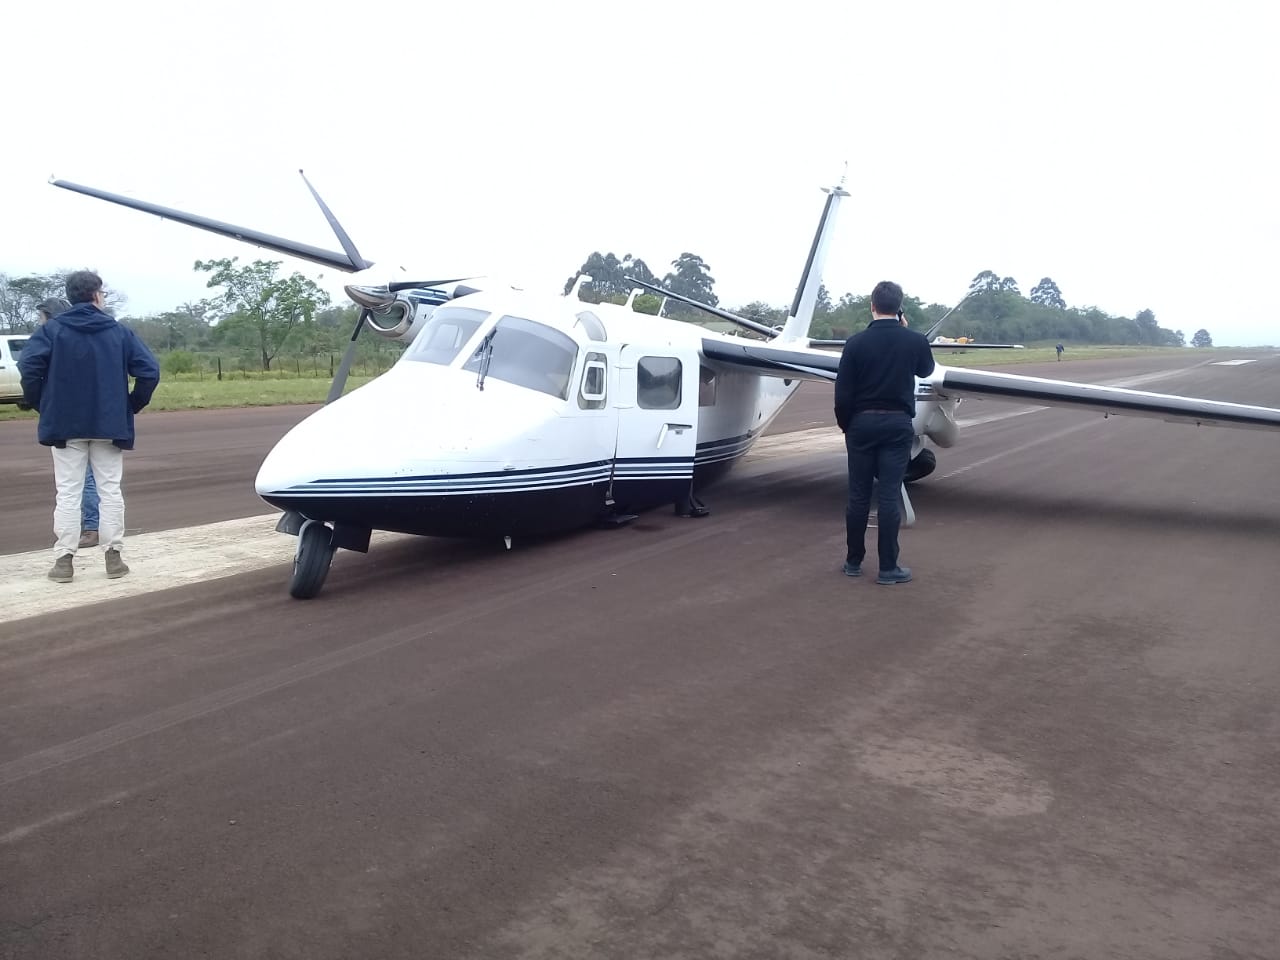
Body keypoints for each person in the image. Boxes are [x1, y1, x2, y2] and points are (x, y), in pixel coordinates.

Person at [19, 271, 160, 582]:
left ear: (71, 296)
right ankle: (113, 557)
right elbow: (149, 371)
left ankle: (64, 561)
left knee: (68, 492)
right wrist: (131, 405)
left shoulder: (52, 330)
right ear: (97, 295)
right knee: (110, 490)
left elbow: (28, 367)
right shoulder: (120, 332)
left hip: (64, 425)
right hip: (109, 424)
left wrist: (41, 404)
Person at [833, 281, 935, 584]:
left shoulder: (855, 343)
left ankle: (853, 561)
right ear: (899, 306)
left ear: (872, 306)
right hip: (897, 424)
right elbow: (926, 370)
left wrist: (846, 425)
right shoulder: (914, 341)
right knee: (889, 495)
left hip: (861, 424)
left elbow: (842, 394)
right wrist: (907, 330)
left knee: (858, 494)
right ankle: (888, 568)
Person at [34, 297, 100, 548]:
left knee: (78, 481)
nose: (39, 322)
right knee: (92, 478)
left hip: (70, 419)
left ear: (50, 316)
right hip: (95, 415)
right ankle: (94, 530)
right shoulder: (85, 337)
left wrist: (39, 403)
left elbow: (31, 371)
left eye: (42, 317)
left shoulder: (53, 338)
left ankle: (89, 530)